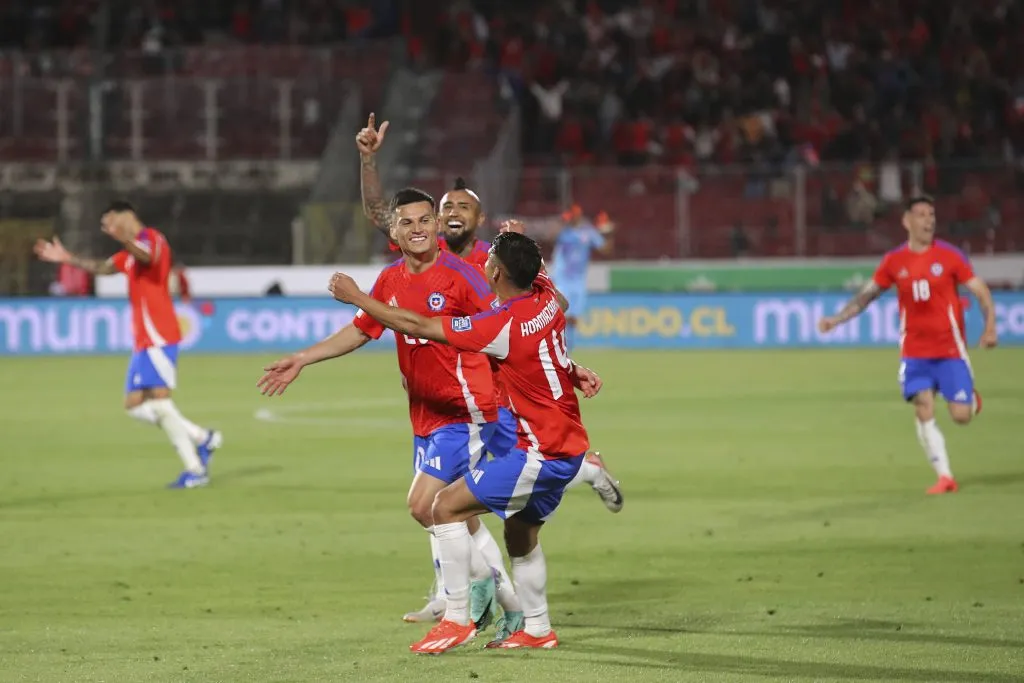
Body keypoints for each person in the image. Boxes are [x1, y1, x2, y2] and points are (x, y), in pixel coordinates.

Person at [356, 116, 623, 622]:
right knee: (452, 502)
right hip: (446, 402)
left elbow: (547, 309)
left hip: (492, 402)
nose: (450, 212)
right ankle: (467, 594)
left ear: (481, 220)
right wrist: (369, 159)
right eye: (444, 207)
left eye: (463, 206)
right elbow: (378, 213)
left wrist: (563, 356)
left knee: (455, 500)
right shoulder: (425, 251)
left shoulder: (491, 260)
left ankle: (480, 602)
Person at [258, 188, 552, 640]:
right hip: (426, 416)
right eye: (407, 222)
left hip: (467, 410)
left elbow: (509, 326)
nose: (417, 229)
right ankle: (507, 604)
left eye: (424, 220)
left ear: (436, 226)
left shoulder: (462, 277)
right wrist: (302, 358)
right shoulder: (391, 279)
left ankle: (467, 606)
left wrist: (561, 368)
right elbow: (362, 331)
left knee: (423, 505)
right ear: (393, 232)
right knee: (457, 514)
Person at [328, 232, 601, 652]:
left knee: (444, 507)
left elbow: (418, 325)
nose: (483, 262)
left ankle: (457, 619)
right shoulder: (546, 298)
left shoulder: (499, 325)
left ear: (497, 273)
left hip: (539, 453)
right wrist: (571, 368)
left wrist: (358, 298)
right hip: (565, 442)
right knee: (520, 533)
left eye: (489, 259)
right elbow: (547, 329)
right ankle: (537, 628)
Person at [34, 201, 222, 488]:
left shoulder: (153, 239)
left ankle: (195, 470)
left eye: (110, 220)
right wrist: (67, 258)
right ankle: (202, 437)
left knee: (160, 403)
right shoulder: (128, 255)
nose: (108, 227)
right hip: (144, 340)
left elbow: (147, 257)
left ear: (127, 216)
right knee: (134, 406)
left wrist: (123, 238)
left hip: (159, 334)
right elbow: (102, 267)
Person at [818, 195, 997, 494]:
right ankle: (945, 477)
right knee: (923, 406)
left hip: (950, 352)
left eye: (932, 214)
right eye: (922, 214)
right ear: (907, 221)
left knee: (961, 416)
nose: (929, 220)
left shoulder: (950, 256)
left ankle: (971, 401)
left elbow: (980, 291)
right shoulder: (894, 261)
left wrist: (990, 327)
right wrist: (836, 320)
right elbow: (866, 296)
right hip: (915, 354)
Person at [550, 205, 614, 349]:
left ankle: (568, 348)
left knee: (573, 318)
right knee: (561, 315)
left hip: (579, 280)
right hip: (562, 279)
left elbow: (605, 249)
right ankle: (557, 346)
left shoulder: (588, 232)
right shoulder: (563, 232)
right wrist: (561, 223)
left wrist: (609, 233)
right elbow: (551, 236)